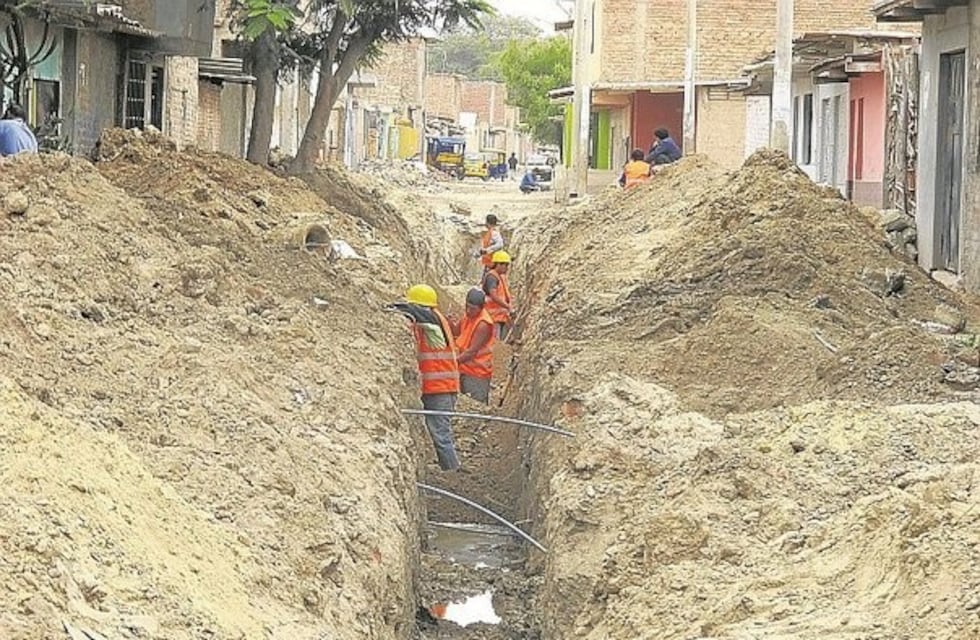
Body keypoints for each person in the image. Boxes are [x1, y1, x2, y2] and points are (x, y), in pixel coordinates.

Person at [391, 284, 462, 471]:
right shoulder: (432, 321)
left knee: (440, 433)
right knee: (439, 431)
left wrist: (395, 307)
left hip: (441, 387)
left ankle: (452, 472)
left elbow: (415, 312)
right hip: (437, 386)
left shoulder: (432, 320)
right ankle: (450, 467)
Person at [450, 288, 496, 404]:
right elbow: (456, 331)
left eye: (472, 309)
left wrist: (451, 363)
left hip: (477, 374)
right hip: (464, 369)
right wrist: (449, 322)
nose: (468, 311)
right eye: (467, 306)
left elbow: (471, 352)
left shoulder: (483, 324)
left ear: (481, 308)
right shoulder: (468, 316)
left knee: (475, 408)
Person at [482, 250, 514, 340]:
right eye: (505, 265)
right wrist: (508, 306)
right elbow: (494, 295)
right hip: (493, 317)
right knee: (494, 341)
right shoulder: (492, 277)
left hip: (500, 317)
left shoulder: (500, 276)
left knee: (499, 341)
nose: (507, 268)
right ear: (498, 264)